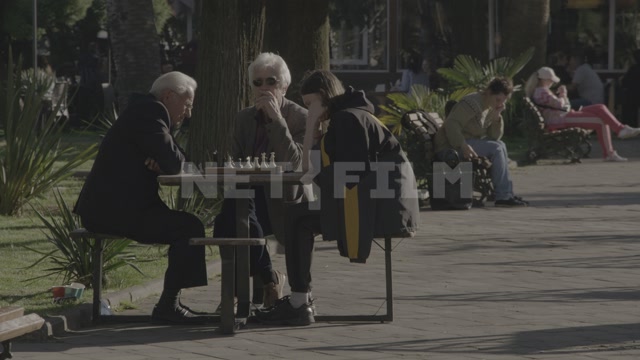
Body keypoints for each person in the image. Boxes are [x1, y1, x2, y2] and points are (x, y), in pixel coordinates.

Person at [254, 70, 420, 326]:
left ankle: (299, 303)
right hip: (384, 203)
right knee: (299, 216)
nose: (309, 110)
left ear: (324, 97)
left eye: (310, 104)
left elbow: (342, 176)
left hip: (381, 208)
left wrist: (310, 129)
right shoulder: (351, 115)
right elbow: (318, 173)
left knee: (297, 216)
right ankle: (300, 300)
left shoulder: (347, 119)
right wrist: (315, 136)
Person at [74, 71, 208, 325]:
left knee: (188, 225)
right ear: (169, 96)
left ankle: (171, 303)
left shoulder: (147, 112)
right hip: (113, 211)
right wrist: (167, 160)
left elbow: (179, 160)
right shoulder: (150, 112)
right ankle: (168, 306)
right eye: (187, 104)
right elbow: (174, 162)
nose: (188, 113)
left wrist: (167, 160)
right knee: (189, 227)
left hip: (119, 208)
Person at [213, 52, 311, 308]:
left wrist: (277, 120)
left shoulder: (300, 117)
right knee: (230, 216)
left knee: (235, 214)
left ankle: (236, 295)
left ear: (285, 86)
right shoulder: (243, 118)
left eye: (271, 81)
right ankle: (267, 278)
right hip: (248, 196)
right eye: (258, 83)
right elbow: (234, 161)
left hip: (285, 201)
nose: (264, 88)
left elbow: (295, 163)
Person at [434, 77, 528, 207]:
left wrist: (496, 117)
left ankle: (506, 194)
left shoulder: (489, 107)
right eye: (498, 99)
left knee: (500, 145)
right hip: (450, 147)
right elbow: (452, 123)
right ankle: (504, 195)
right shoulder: (472, 103)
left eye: (503, 101)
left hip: (467, 143)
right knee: (497, 148)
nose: (499, 104)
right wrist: (463, 145)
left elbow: (495, 137)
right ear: (489, 92)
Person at [525, 66, 640, 162]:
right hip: (560, 120)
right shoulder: (542, 92)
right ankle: (610, 151)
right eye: (551, 80)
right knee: (600, 121)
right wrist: (563, 94)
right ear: (544, 80)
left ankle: (620, 130)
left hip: (561, 116)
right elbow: (562, 106)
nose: (552, 83)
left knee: (600, 107)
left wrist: (563, 99)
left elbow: (564, 106)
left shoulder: (540, 91)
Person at [620, 49, 640, 127]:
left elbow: (625, 83)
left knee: (627, 106)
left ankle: (629, 126)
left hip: (633, 96)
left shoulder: (633, 69)